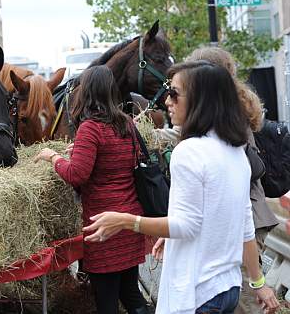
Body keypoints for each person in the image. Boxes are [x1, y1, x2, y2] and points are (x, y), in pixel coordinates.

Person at [84, 61, 279, 314]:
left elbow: (186, 225)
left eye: (174, 93)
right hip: (227, 289)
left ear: (200, 100)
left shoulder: (189, 151)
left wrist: (126, 221)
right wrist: (259, 283)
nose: (167, 101)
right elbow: (243, 227)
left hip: (198, 294)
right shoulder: (235, 152)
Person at [34, 65, 150, 314]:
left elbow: (76, 174)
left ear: (85, 92)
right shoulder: (127, 124)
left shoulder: (90, 128)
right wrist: (80, 151)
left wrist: (53, 157)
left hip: (104, 228)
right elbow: (123, 160)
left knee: (106, 302)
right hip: (129, 223)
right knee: (131, 295)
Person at [186, 47, 278, 314]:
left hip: (246, 216)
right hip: (247, 214)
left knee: (245, 296)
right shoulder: (231, 106)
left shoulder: (228, 112)